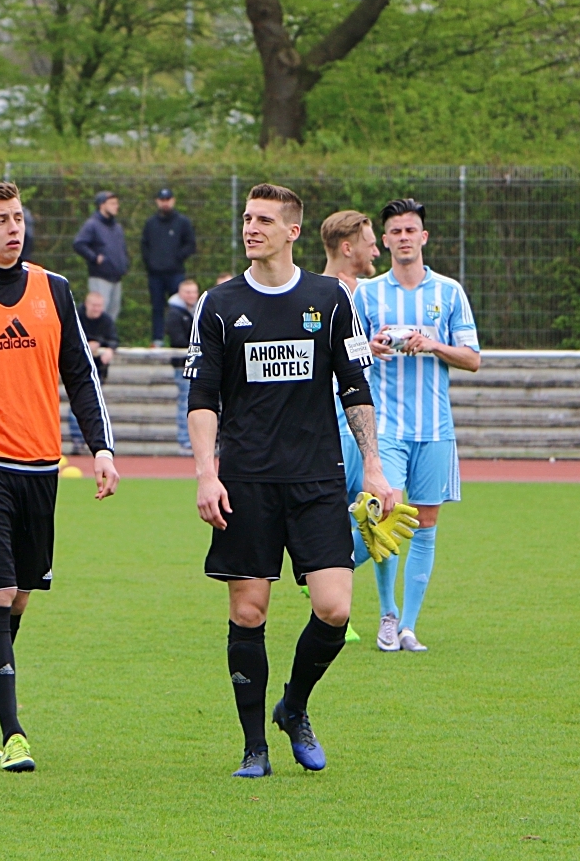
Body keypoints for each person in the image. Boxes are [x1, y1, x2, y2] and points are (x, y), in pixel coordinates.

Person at [184, 182, 398, 779]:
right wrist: (207, 474)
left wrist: (374, 468)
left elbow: (356, 387)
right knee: (249, 612)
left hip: (317, 478)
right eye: (247, 218)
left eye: (264, 220)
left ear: (292, 231)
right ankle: (254, 747)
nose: (251, 228)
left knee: (333, 608)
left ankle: (294, 707)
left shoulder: (330, 299)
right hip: (246, 480)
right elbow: (202, 398)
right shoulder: (219, 303)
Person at [0, 181, 119, 773]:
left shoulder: (55, 288)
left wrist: (101, 447)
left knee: (18, 599)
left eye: (18, 217)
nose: (13, 228)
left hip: (42, 466)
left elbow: (79, 373)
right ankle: (14, 733)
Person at [353, 198, 480, 653]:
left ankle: (409, 625)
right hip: (384, 424)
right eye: (396, 231)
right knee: (385, 513)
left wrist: (432, 344)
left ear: (423, 238)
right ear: (384, 240)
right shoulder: (366, 293)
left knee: (426, 522)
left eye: (411, 230)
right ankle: (386, 615)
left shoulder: (448, 292)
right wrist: (372, 346)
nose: (404, 237)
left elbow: (473, 358)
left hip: (434, 428)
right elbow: (346, 352)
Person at [319, 210, 383, 645]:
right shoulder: (317, 296)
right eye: (369, 241)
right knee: (349, 523)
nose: (376, 249)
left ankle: (323, 584)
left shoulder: (372, 294)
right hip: (329, 430)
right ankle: (320, 582)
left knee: (378, 518)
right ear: (348, 247)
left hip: (365, 428)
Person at [140, 188, 196, 346]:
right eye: (162, 200)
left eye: (168, 199)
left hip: (175, 273)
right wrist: (150, 263)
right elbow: (144, 245)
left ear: (173, 200)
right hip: (155, 274)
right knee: (157, 308)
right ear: (157, 201)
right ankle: (157, 339)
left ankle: (178, 340)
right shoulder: (150, 223)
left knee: (178, 309)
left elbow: (190, 244)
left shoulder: (182, 222)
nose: (165, 203)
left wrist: (177, 258)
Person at [69, 291, 117, 451]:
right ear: (87, 304)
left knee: (94, 406)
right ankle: (77, 439)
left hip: (97, 370)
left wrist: (107, 348)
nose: (97, 309)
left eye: (100, 306)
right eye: (94, 305)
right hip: (77, 369)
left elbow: (113, 339)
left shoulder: (106, 320)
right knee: (76, 404)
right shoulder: (76, 317)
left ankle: (94, 441)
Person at [72, 191, 128, 321]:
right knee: (99, 311)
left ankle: (108, 341)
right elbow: (79, 244)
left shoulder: (117, 226)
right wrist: (95, 258)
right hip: (100, 276)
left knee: (113, 313)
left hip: (116, 277)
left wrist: (124, 262)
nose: (116, 206)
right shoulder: (92, 224)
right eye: (112, 203)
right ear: (102, 205)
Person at [164, 277, 199, 452]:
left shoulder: (197, 310)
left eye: (194, 292)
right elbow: (178, 340)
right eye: (188, 292)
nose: (191, 295)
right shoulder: (174, 313)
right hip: (182, 365)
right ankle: (184, 441)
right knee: (185, 402)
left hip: (196, 364)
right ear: (180, 293)